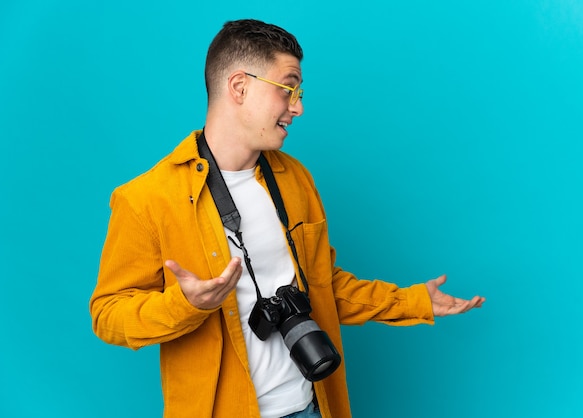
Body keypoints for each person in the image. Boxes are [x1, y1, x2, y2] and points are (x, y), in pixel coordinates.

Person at [89, 19, 485, 418]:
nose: (298, 107)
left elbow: (323, 286)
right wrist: (185, 305)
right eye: (288, 88)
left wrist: (414, 301)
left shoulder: (295, 178)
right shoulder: (145, 199)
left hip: (312, 406)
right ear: (239, 86)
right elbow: (108, 315)